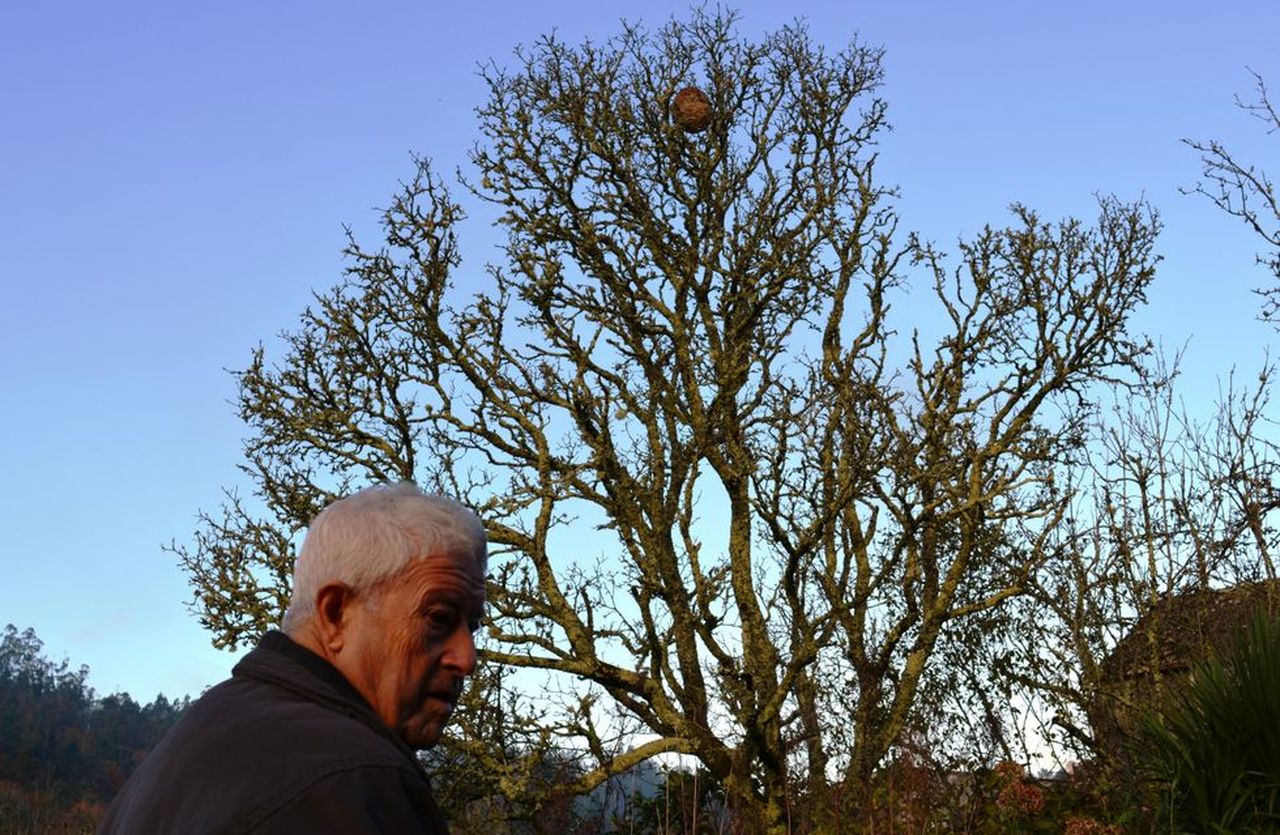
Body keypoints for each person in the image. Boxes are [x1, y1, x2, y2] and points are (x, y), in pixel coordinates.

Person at [99, 483, 487, 834]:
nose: (466, 659)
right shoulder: (353, 785)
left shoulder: (183, 753)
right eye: (438, 618)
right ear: (336, 615)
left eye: (472, 626)